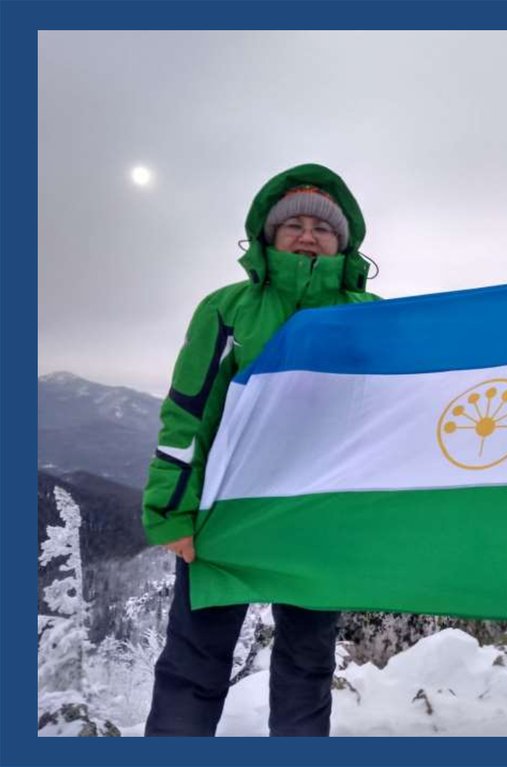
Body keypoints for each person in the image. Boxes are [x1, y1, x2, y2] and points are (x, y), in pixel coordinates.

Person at [140, 163, 379, 736]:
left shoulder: (371, 317)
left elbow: (386, 415)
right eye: (293, 224)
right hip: (226, 510)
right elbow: (188, 414)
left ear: (343, 241)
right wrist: (172, 509)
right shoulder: (228, 309)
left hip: (319, 516)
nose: (307, 235)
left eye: (322, 228)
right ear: (269, 235)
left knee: (308, 665)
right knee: (193, 664)